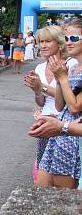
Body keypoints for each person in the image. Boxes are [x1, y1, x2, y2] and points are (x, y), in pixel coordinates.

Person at [24, 25, 75, 169]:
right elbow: (41, 101)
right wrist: (36, 90)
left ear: (59, 43)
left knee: (61, 170)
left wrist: (42, 86)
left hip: (64, 122)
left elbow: (67, 96)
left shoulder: (71, 64)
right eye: (41, 42)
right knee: (43, 168)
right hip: (44, 121)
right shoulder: (40, 67)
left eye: (48, 41)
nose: (43, 45)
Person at [36, 28, 82, 188]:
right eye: (67, 37)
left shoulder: (73, 64)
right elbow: (59, 105)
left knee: (63, 197)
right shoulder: (72, 67)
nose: (69, 41)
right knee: (41, 188)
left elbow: (75, 107)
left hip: (71, 133)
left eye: (74, 37)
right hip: (58, 126)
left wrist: (61, 78)